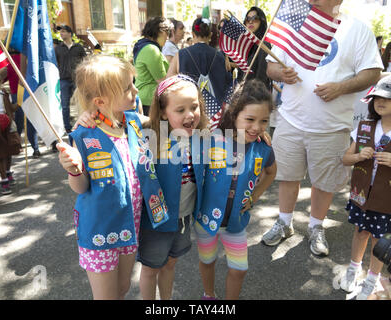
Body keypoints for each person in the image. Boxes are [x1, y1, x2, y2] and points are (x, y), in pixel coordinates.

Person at [262, 0, 383, 256]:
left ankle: (316, 227)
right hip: (291, 119)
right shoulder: (295, 20)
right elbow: (271, 66)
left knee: (324, 183)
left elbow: (372, 72)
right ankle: (284, 222)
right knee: (287, 176)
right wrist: (281, 74)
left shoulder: (357, 29)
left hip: (331, 126)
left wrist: (340, 88)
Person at [56, 54, 169, 300]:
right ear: (100, 100)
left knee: (122, 289)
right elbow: (80, 186)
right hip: (100, 231)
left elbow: (166, 123)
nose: (136, 90)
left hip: (130, 225)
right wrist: (74, 169)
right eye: (128, 88)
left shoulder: (133, 122)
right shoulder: (84, 135)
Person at [194, 79, 277, 300]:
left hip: (236, 222)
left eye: (264, 121)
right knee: (207, 261)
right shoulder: (212, 140)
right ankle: (209, 295)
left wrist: (256, 195)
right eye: (250, 119)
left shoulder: (263, 147)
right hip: (206, 219)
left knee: (239, 269)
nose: (257, 127)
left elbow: (271, 172)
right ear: (234, 114)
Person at [137, 75, 208, 299]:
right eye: (180, 110)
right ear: (163, 112)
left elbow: (237, 130)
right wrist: (87, 117)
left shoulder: (201, 136)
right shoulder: (150, 136)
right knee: (150, 269)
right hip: (155, 223)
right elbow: (118, 119)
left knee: (170, 264)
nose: (190, 114)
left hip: (183, 219)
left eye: (194, 106)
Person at [339, 75, 391, 300]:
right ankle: (353, 269)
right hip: (361, 194)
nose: (381, 101)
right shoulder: (365, 127)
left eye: (387, 98)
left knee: (379, 239)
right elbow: (345, 159)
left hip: (385, 198)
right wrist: (359, 155)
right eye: (377, 97)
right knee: (360, 232)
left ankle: (372, 279)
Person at [166, 17, 233, 110]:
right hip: (215, 113)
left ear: (193, 34)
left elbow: (169, 82)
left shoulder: (180, 55)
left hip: (189, 109)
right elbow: (228, 85)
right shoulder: (220, 56)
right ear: (210, 35)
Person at [133, 17, 173, 116]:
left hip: (146, 99)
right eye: (167, 33)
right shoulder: (151, 49)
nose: (168, 37)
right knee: (160, 130)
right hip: (150, 101)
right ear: (160, 31)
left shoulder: (142, 45)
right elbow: (163, 81)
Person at [54, 25, 86, 134]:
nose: (61, 34)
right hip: (63, 80)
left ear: (69, 33)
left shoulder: (79, 47)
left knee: (80, 103)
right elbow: (55, 63)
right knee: (64, 105)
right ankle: (67, 127)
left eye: (63, 31)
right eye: (60, 32)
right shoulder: (58, 48)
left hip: (77, 80)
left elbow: (85, 62)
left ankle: (82, 124)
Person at [236, 7, 272, 91]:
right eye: (248, 19)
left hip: (255, 98)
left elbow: (261, 81)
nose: (251, 21)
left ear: (261, 22)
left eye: (255, 18)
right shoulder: (244, 45)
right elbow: (240, 76)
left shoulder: (264, 45)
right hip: (242, 96)